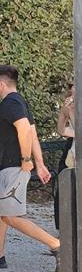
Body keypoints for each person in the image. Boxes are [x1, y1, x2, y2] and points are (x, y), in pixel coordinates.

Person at [0, 65, 60, 272]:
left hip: (12, 167)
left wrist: (26, 159)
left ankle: (58, 246)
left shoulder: (11, 103)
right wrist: (39, 164)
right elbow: (32, 133)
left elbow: (23, 129)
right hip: (3, 168)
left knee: (10, 216)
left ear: (1, 83)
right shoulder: (18, 102)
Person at [54, 83, 75, 229]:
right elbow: (62, 130)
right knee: (66, 194)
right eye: (71, 87)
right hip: (72, 157)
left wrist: (70, 113)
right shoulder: (72, 107)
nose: (72, 90)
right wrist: (64, 113)